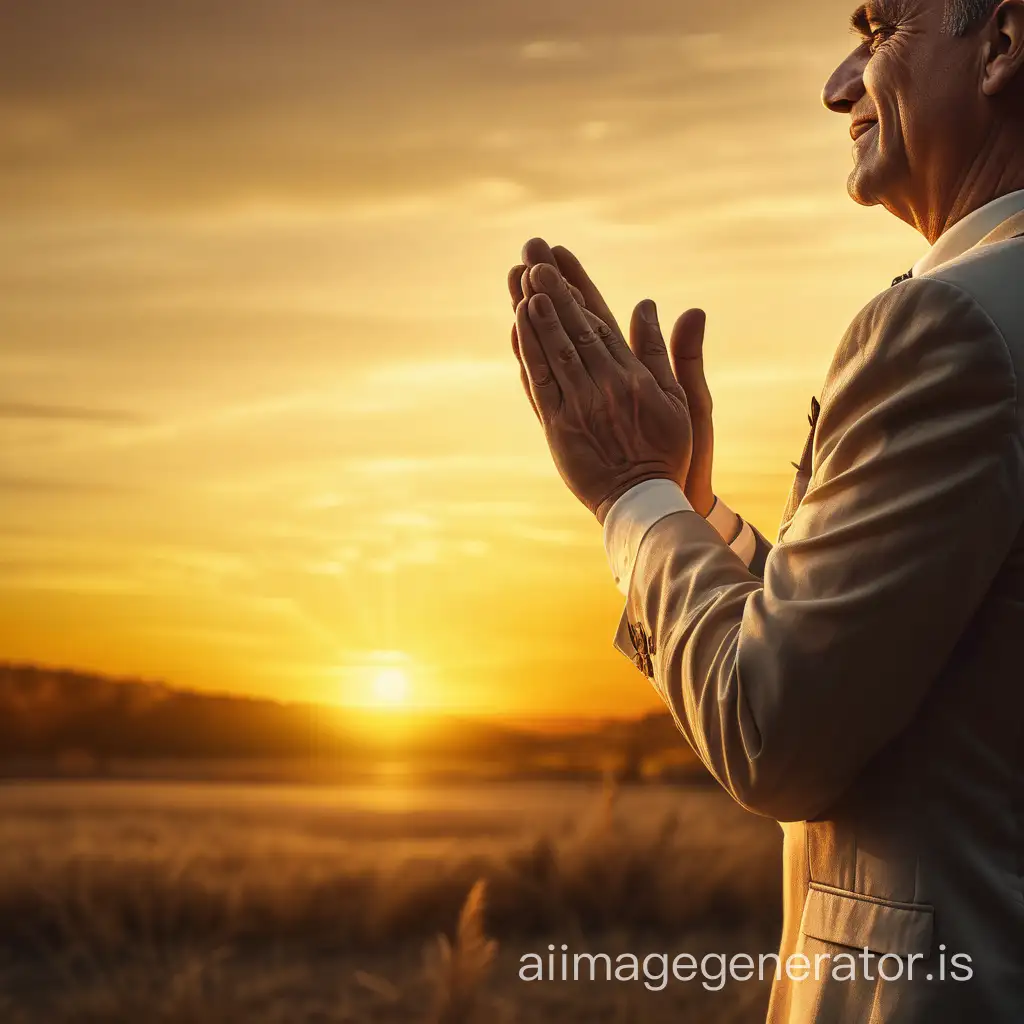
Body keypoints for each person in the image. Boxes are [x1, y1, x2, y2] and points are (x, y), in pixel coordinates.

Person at [505, 0, 1024, 1020]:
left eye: (882, 31)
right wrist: (695, 513)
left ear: (1004, 44)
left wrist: (632, 495)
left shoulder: (953, 321)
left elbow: (772, 725)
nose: (840, 86)